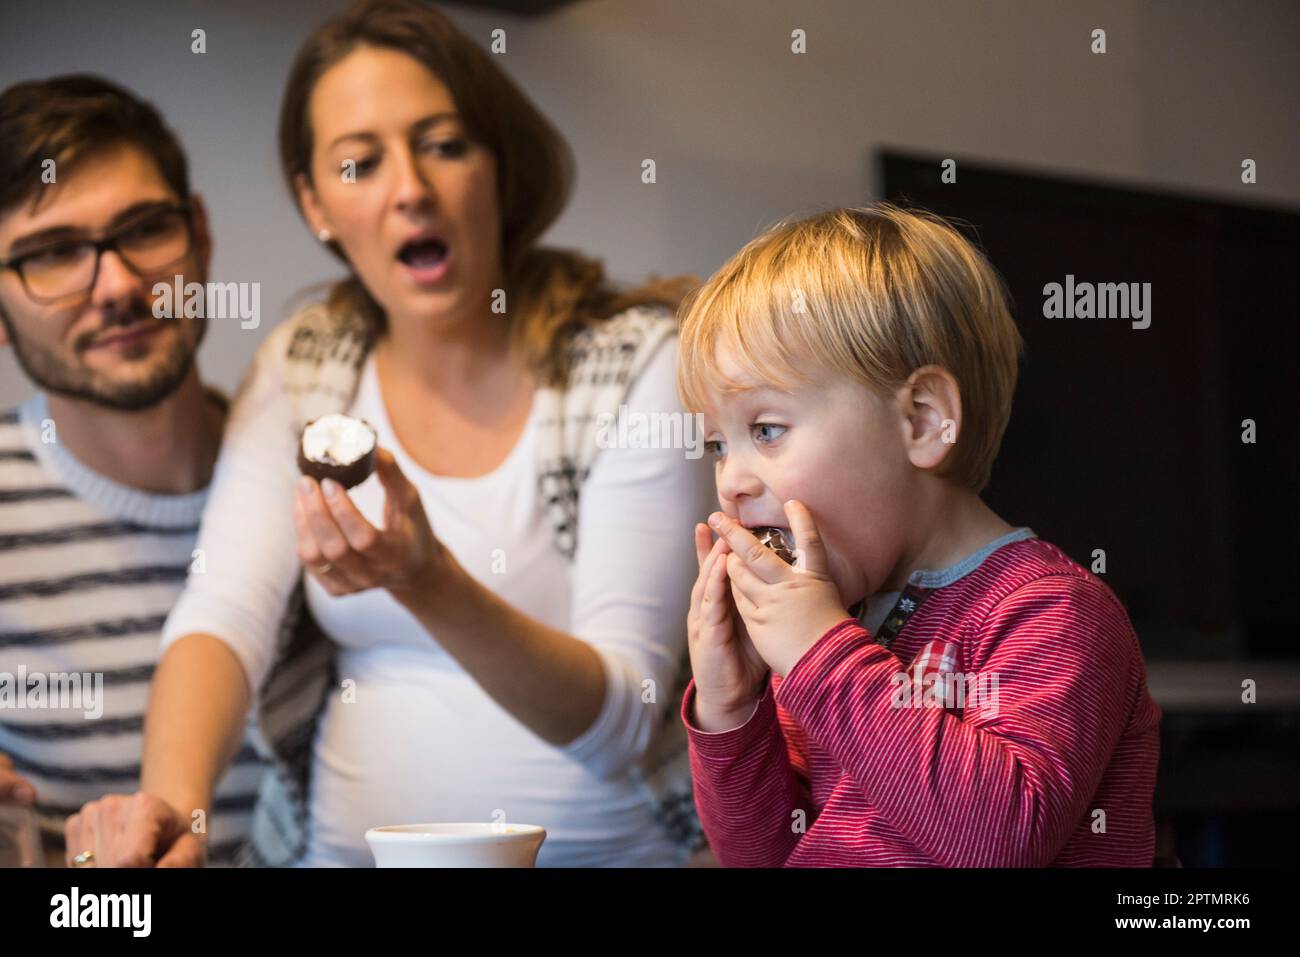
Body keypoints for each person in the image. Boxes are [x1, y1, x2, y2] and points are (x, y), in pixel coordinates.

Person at [67, 0, 712, 867]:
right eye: (359, 163)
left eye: (445, 144)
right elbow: (224, 610)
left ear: (499, 168)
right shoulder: (306, 363)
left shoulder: (634, 362)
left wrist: (428, 579)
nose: (410, 188)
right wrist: (172, 814)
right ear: (316, 203)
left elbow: (624, 721)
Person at [678, 204, 1162, 866]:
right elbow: (766, 855)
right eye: (715, 444)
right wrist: (730, 706)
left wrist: (822, 656)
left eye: (765, 429)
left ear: (923, 420)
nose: (730, 479)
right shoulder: (824, 624)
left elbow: (998, 840)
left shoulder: (1052, 616)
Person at [0, 75, 299, 866]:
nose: (121, 286)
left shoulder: (317, 484)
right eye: (54, 253)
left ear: (199, 233)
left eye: (145, 229)